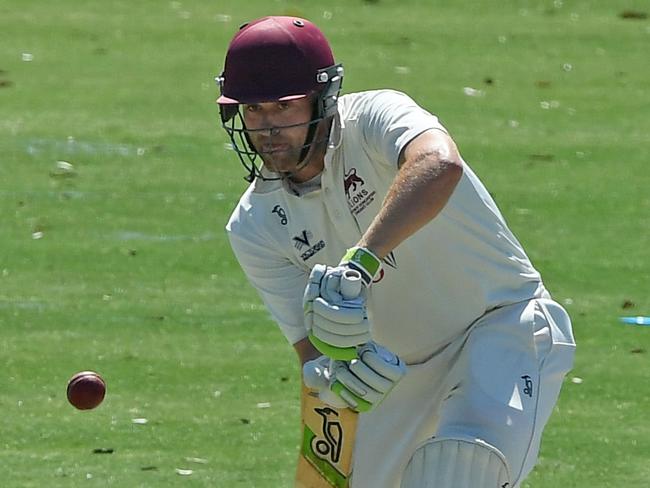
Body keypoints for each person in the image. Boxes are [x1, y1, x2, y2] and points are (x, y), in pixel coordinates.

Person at [216, 15, 576, 488]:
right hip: (394, 377)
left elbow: (439, 164)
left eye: (283, 106)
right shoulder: (255, 225)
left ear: (322, 98)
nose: (266, 127)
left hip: (499, 326)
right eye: (253, 110)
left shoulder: (375, 118)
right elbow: (312, 351)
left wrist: (362, 260)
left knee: (457, 473)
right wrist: (340, 372)